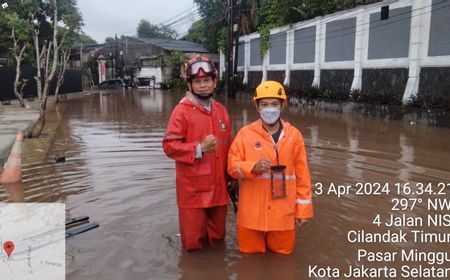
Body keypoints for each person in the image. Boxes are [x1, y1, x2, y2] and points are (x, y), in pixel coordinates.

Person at [227, 80, 313, 254]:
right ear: (257, 107)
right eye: (264, 104)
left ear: (282, 105)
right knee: (249, 262)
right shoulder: (245, 134)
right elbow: (231, 167)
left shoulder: (294, 136)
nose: (269, 109)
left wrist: (303, 210)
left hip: (283, 214)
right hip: (251, 215)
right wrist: (252, 167)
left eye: (274, 104)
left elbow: (303, 176)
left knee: (283, 259)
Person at [162, 55, 232, 251]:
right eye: (198, 82)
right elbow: (169, 145)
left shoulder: (221, 111)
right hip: (192, 191)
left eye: (207, 81)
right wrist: (199, 149)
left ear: (214, 83)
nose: (203, 86)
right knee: (193, 245)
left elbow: (230, 146)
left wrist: (233, 178)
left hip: (219, 188)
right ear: (190, 84)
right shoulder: (181, 111)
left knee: (218, 240)